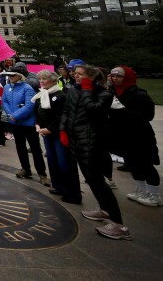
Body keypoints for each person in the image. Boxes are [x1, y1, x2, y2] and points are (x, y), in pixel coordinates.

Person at [61, 65, 132, 240]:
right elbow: (67, 111)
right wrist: (63, 130)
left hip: (91, 142)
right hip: (75, 140)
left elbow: (94, 110)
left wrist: (87, 90)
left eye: (80, 74)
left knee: (98, 180)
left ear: (91, 77)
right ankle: (104, 209)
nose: (75, 76)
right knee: (90, 178)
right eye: (75, 74)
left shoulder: (104, 94)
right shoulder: (72, 91)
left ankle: (119, 225)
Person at [109, 66, 162, 206]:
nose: (115, 79)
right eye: (113, 76)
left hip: (140, 135)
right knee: (132, 163)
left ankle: (154, 195)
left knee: (145, 164)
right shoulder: (114, 93)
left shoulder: (139, 94)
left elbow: (148, 116)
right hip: (123, 135)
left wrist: (123, 110)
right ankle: (141, 190)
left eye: (118, 76)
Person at [33, 69, 82, 204]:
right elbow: (38, 111)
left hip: (58, 133)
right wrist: (38, 125)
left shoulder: (60, 95)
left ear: (54, 80)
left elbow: (61, 115)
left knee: (64, 162)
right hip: (45, 132)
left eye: (45, 79)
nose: (42, 81)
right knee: (53, 160)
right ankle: (59, 186)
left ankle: (72, 193)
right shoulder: (41, 94)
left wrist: (49, 128)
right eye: (40, 79)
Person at [2, 70, 49, 185]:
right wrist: (10, 115)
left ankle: (42, 174)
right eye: (9, 75)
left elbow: (30, 105)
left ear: (19, 76)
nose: (10, 77)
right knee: (20, 146)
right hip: (15, 123)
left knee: (35, 148)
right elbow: (4, 101)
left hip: (28, 123)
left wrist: (15, 115)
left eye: (13, 75)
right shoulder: (7, 87)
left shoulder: (27, 88)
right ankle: (25, 169)